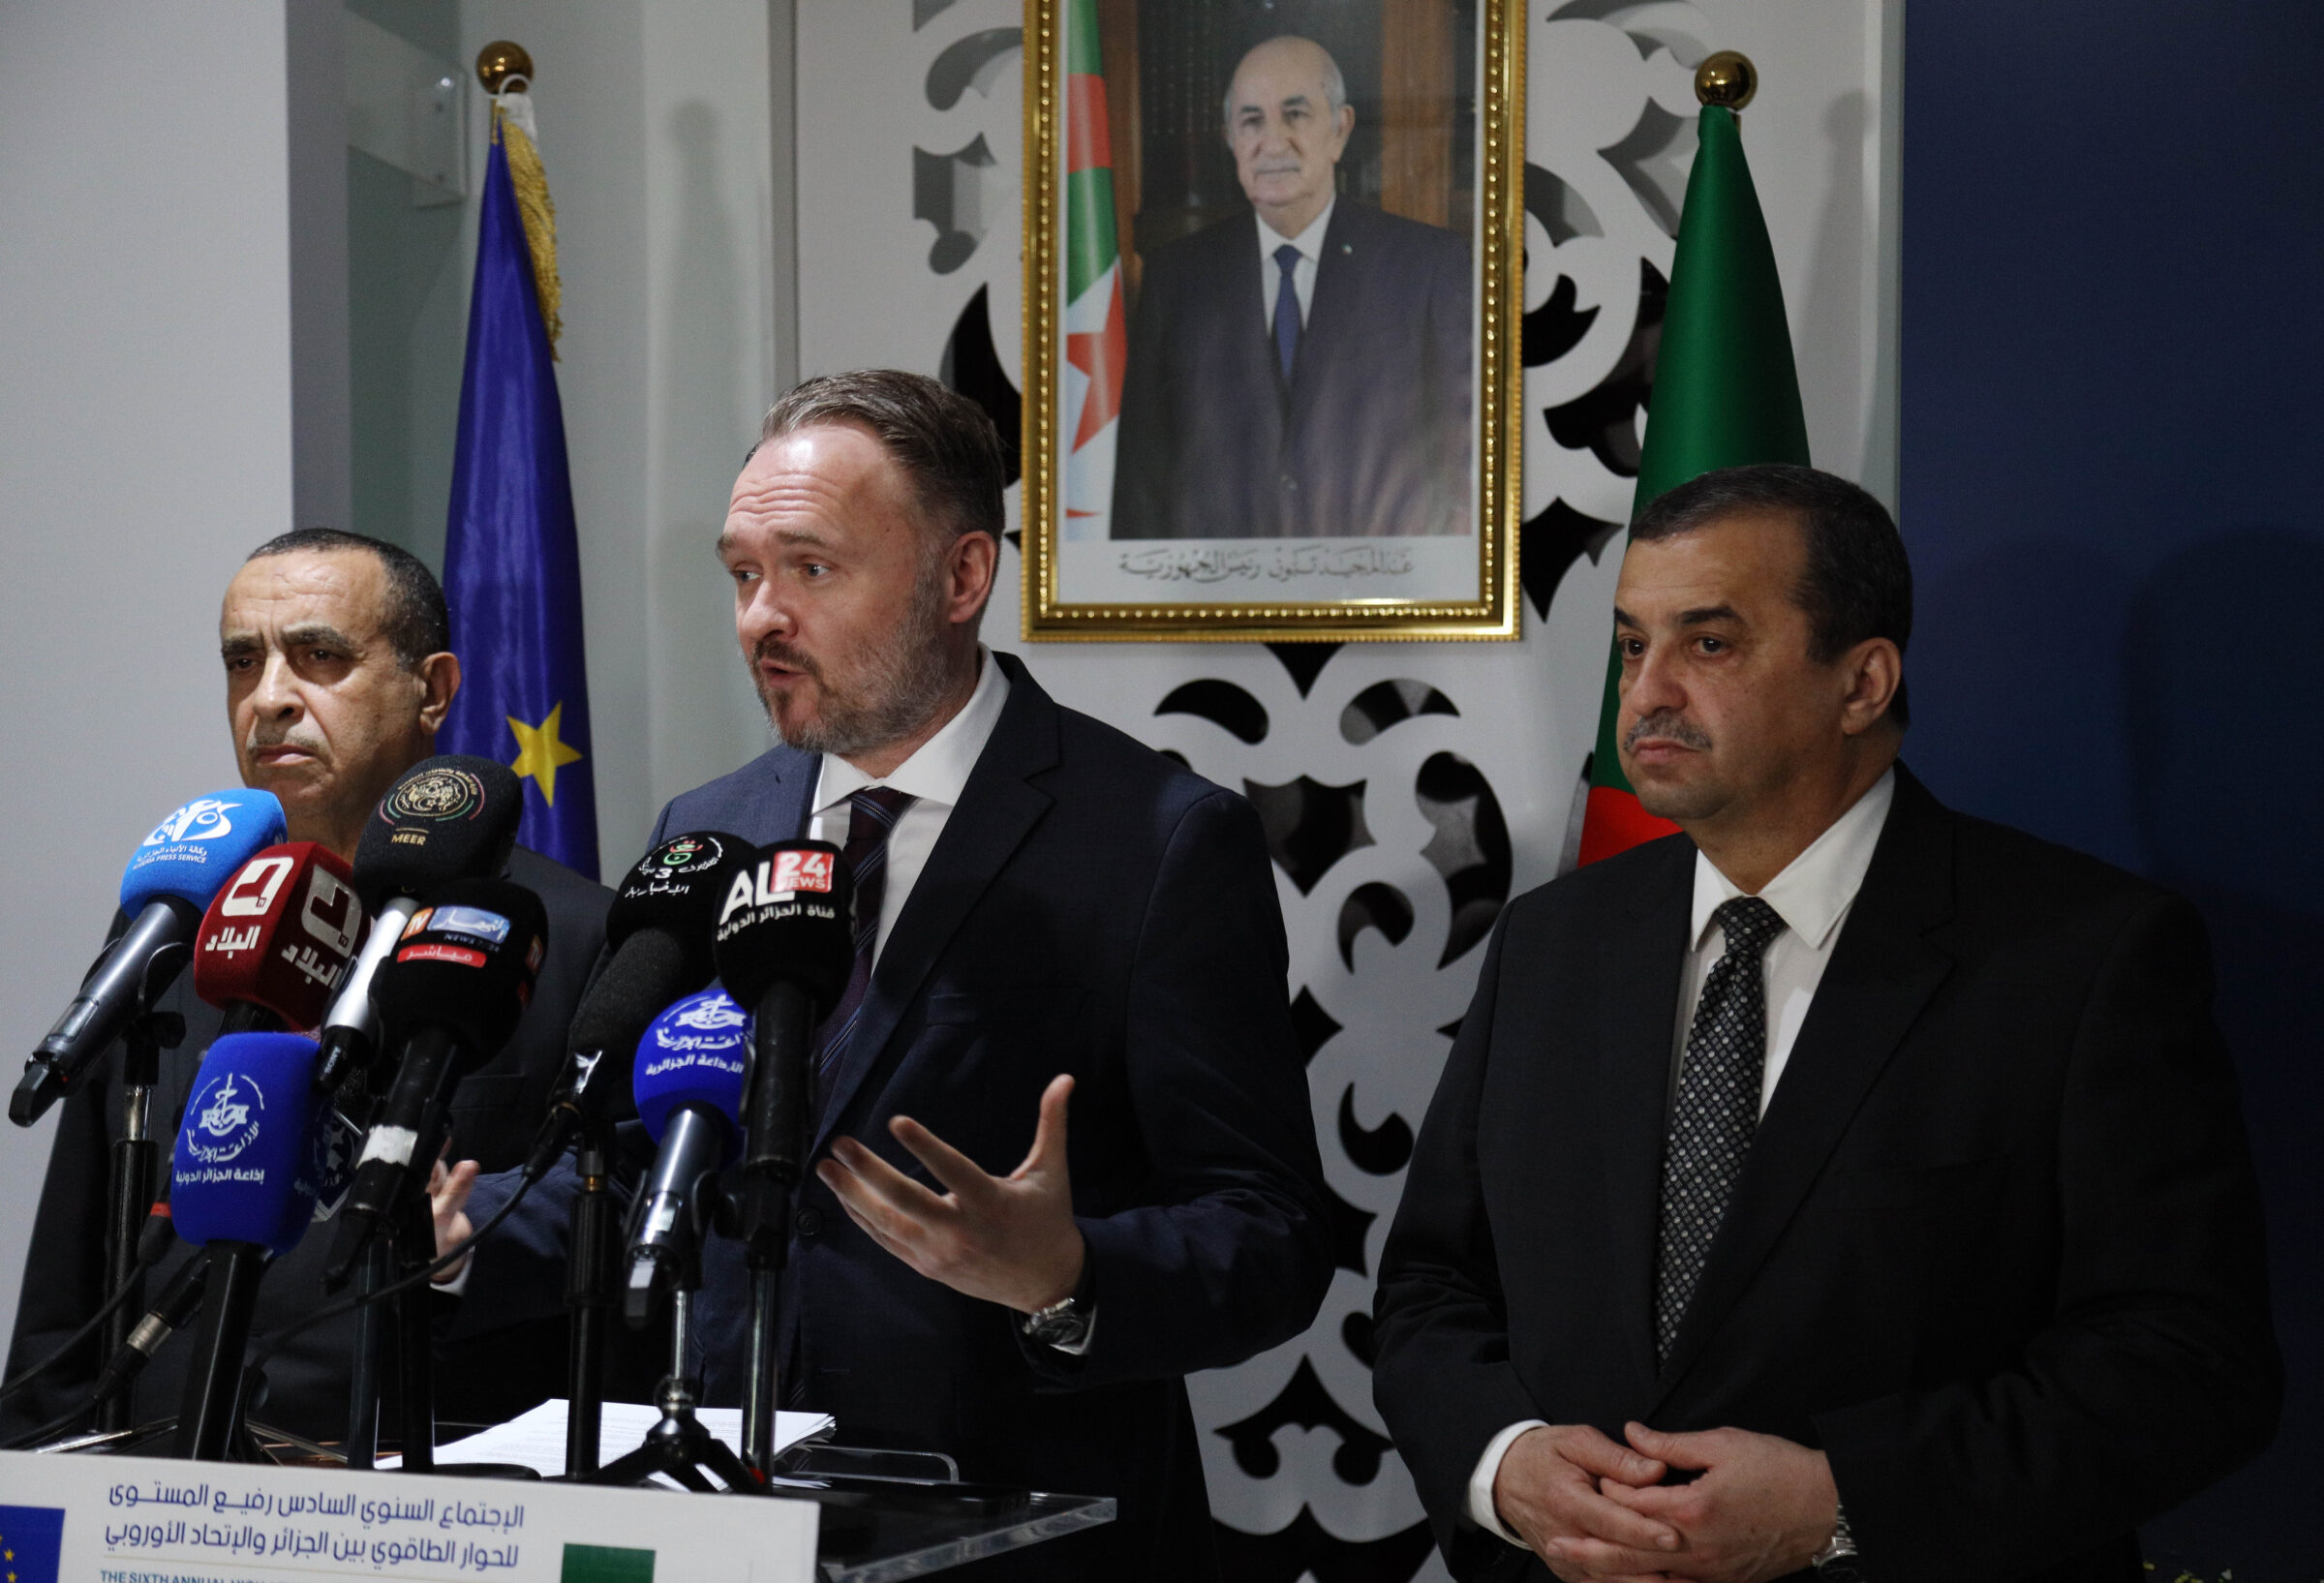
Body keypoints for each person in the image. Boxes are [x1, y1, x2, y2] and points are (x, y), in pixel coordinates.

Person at [444, 370, 1331, 1579]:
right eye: (742, 574)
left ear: (963, 577)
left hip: (1017, 1533)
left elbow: (1272, 1238)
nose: (761, 617)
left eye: (810, 568)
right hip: (721, 1515)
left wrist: (1066, 1273)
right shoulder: (708, 829)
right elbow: (649, 1166)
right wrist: (458, 1225)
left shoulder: (1157, 840)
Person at [1371, 465, 2279, 1583]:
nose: (1646, 692)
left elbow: (2188, 1366)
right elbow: (1430, 1288)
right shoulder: (1553, 943)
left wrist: (1841, 1504)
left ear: (1861, 683)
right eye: (1630, 645)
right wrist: (1501, 1464)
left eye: (1708, 645)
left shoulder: (2086, 958)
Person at [2, 529, 612, 1446]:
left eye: (319, 657)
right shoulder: (170, 928)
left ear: (433, 690)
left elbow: (615, 1197)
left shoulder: (566, 931)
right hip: (162, 1505)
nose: (271, 698)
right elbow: (69, 1286)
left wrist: (465, 1231)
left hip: (434, 1509)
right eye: (243, 662)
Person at [1110, 34, 1472, 539]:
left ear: (1340, 130)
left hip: (1379, 597)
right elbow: (1141, 485)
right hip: (1216, 600)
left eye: (1296, 115)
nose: (1273, 143)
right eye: (1252, 121)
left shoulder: (1427, 267)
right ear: (1231, 138)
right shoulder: (1176, 280)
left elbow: (1463, 470)